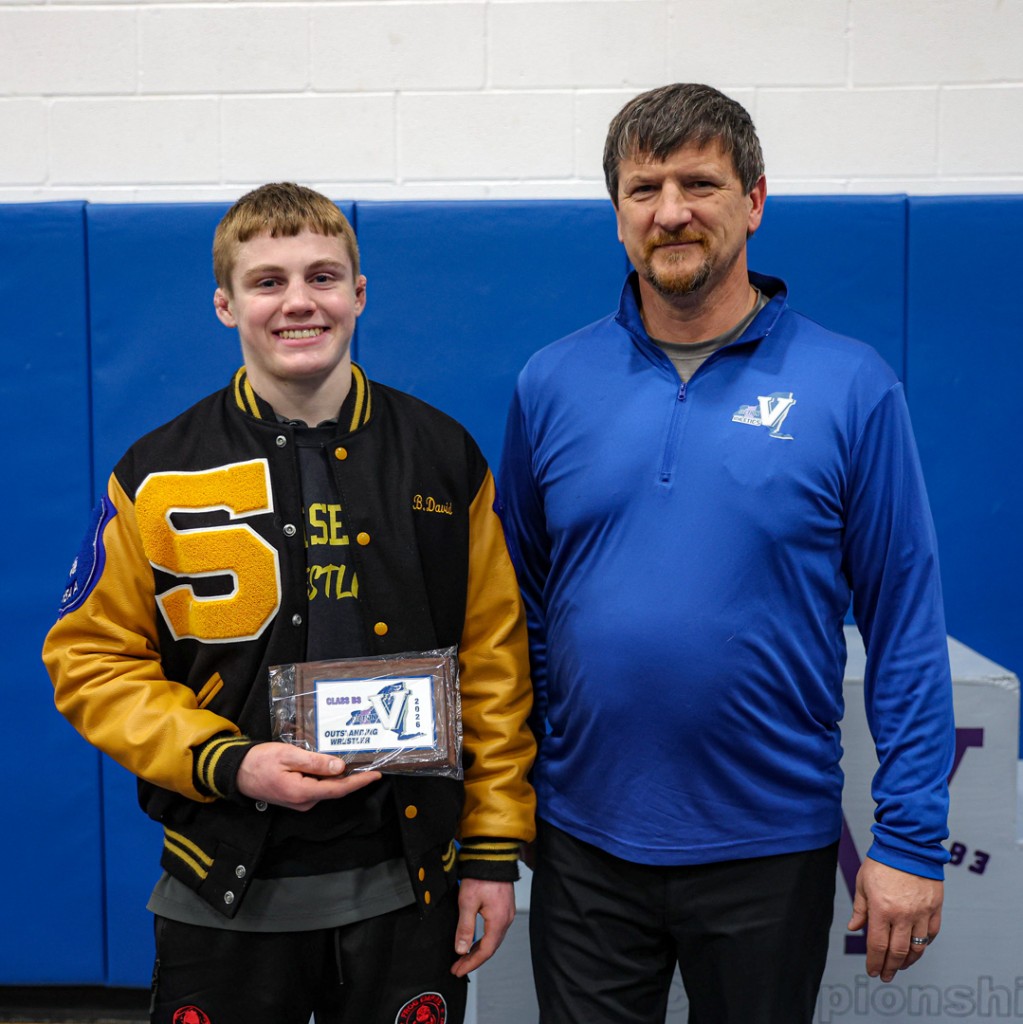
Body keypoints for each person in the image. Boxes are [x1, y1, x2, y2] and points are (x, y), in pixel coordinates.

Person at [497, 83, 954, 1024]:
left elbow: (903, 624)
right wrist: (519, 792)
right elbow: (519, 610)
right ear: (617, 213)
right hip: (582, 841)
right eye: (643, 188)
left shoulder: (850, 384)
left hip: (768, 843)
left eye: (698, 184)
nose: (670, 211)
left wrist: (910, 839)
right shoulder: (550, 382)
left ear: (752, 201)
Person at [43, 182, 536, 1024]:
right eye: (267, 281)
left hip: (405, 885)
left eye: (322, 276)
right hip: (221, 885)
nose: (298, 302)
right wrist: (228, 761)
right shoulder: (157, 471)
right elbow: (88, 660)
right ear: (225, 303)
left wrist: (490, 851)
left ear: (359, 294)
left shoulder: (441, 456)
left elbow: (493, 661)